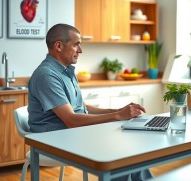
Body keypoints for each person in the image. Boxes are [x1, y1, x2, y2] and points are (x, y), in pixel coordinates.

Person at [28, 23, 153, 181]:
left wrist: (117, 110)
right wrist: (117, 116)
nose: (80, 50)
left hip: (73, 133)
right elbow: (72, 120)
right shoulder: (46, 75)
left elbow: (82, 108)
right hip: (55, 140)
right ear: (58, 46)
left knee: (131, 147)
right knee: (120, 148)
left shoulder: (66, 70)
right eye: (76, 45)